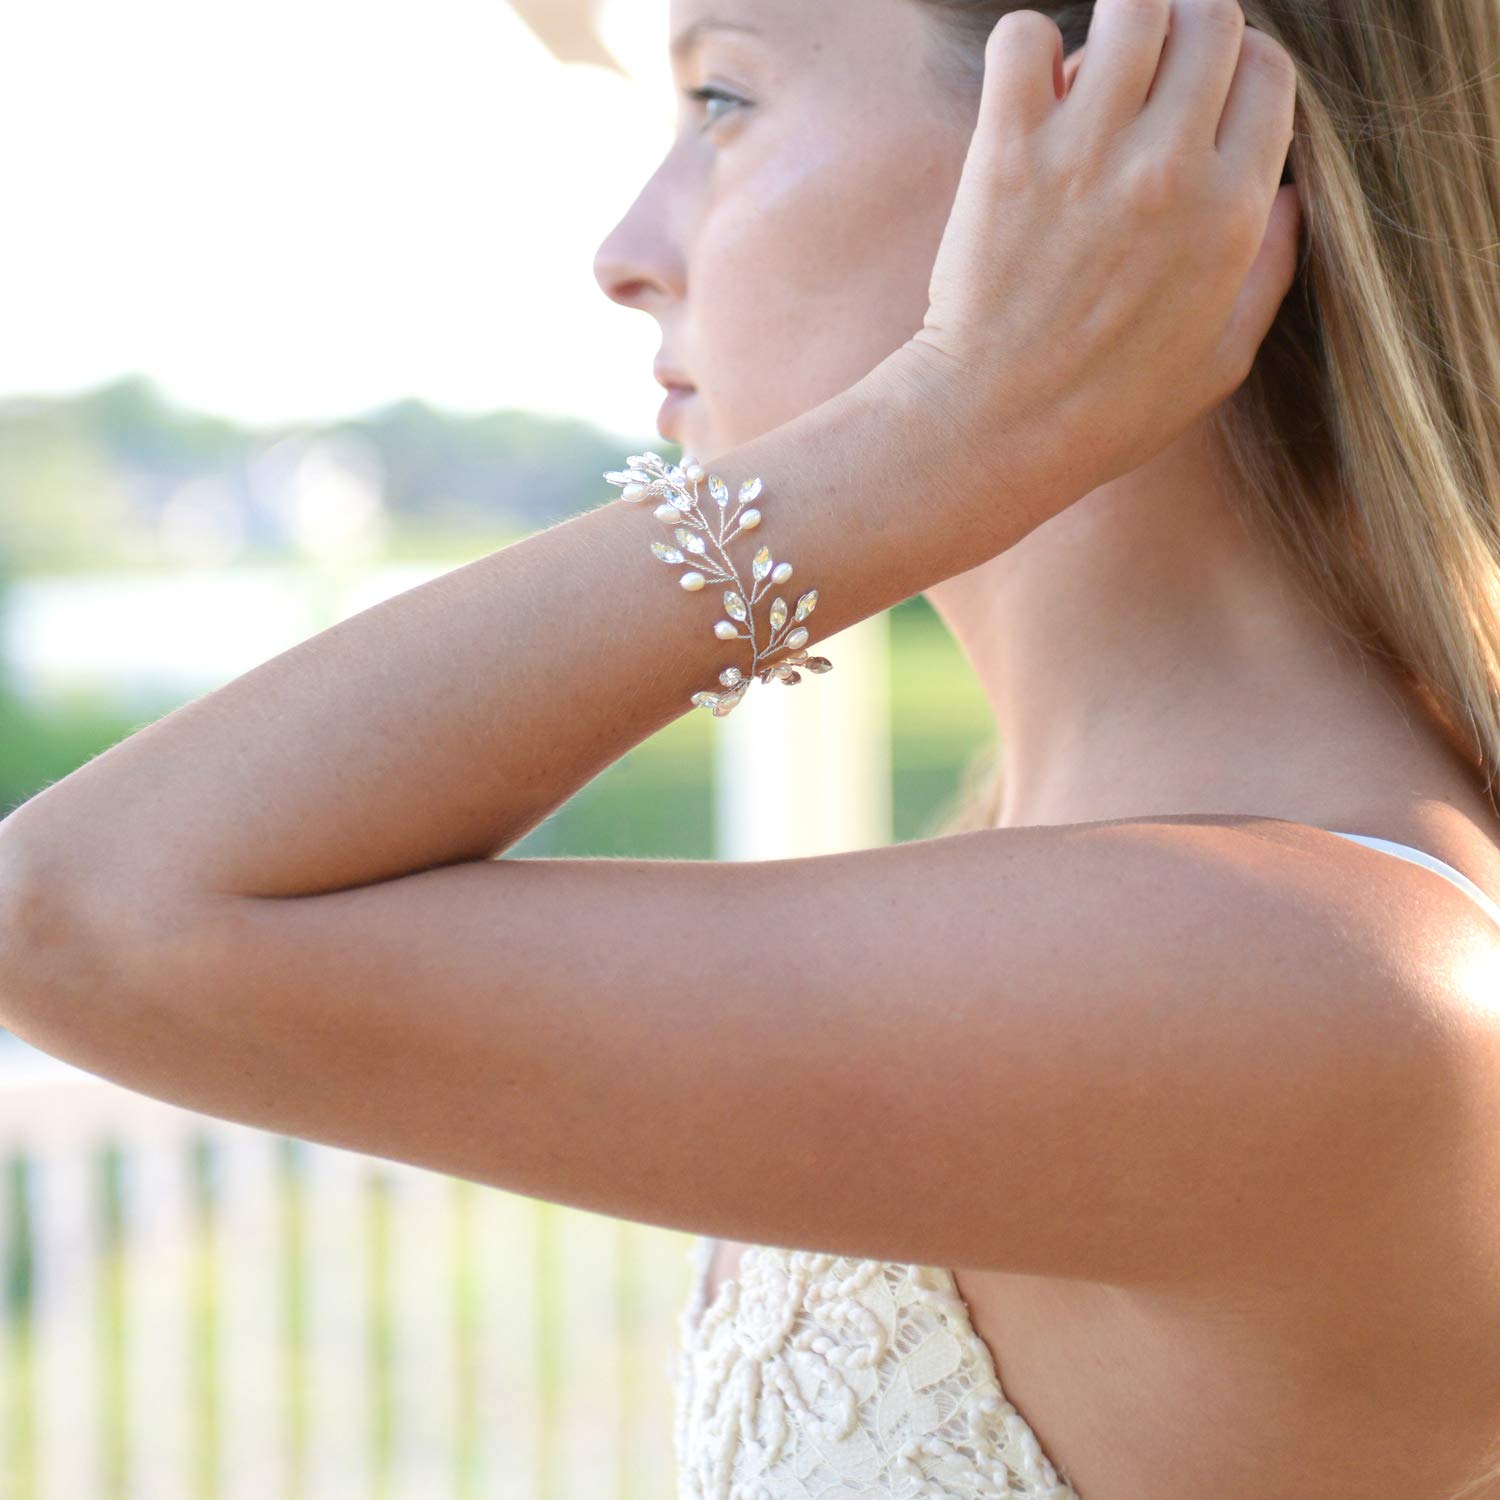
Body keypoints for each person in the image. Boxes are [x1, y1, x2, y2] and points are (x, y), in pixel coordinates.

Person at [1, 0, 1497, 1496]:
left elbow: (82, 911)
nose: (623, 249)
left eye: (723, 101)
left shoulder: (1299, 975)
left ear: (1124, 129)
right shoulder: (1099, 868)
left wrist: (949, 430)